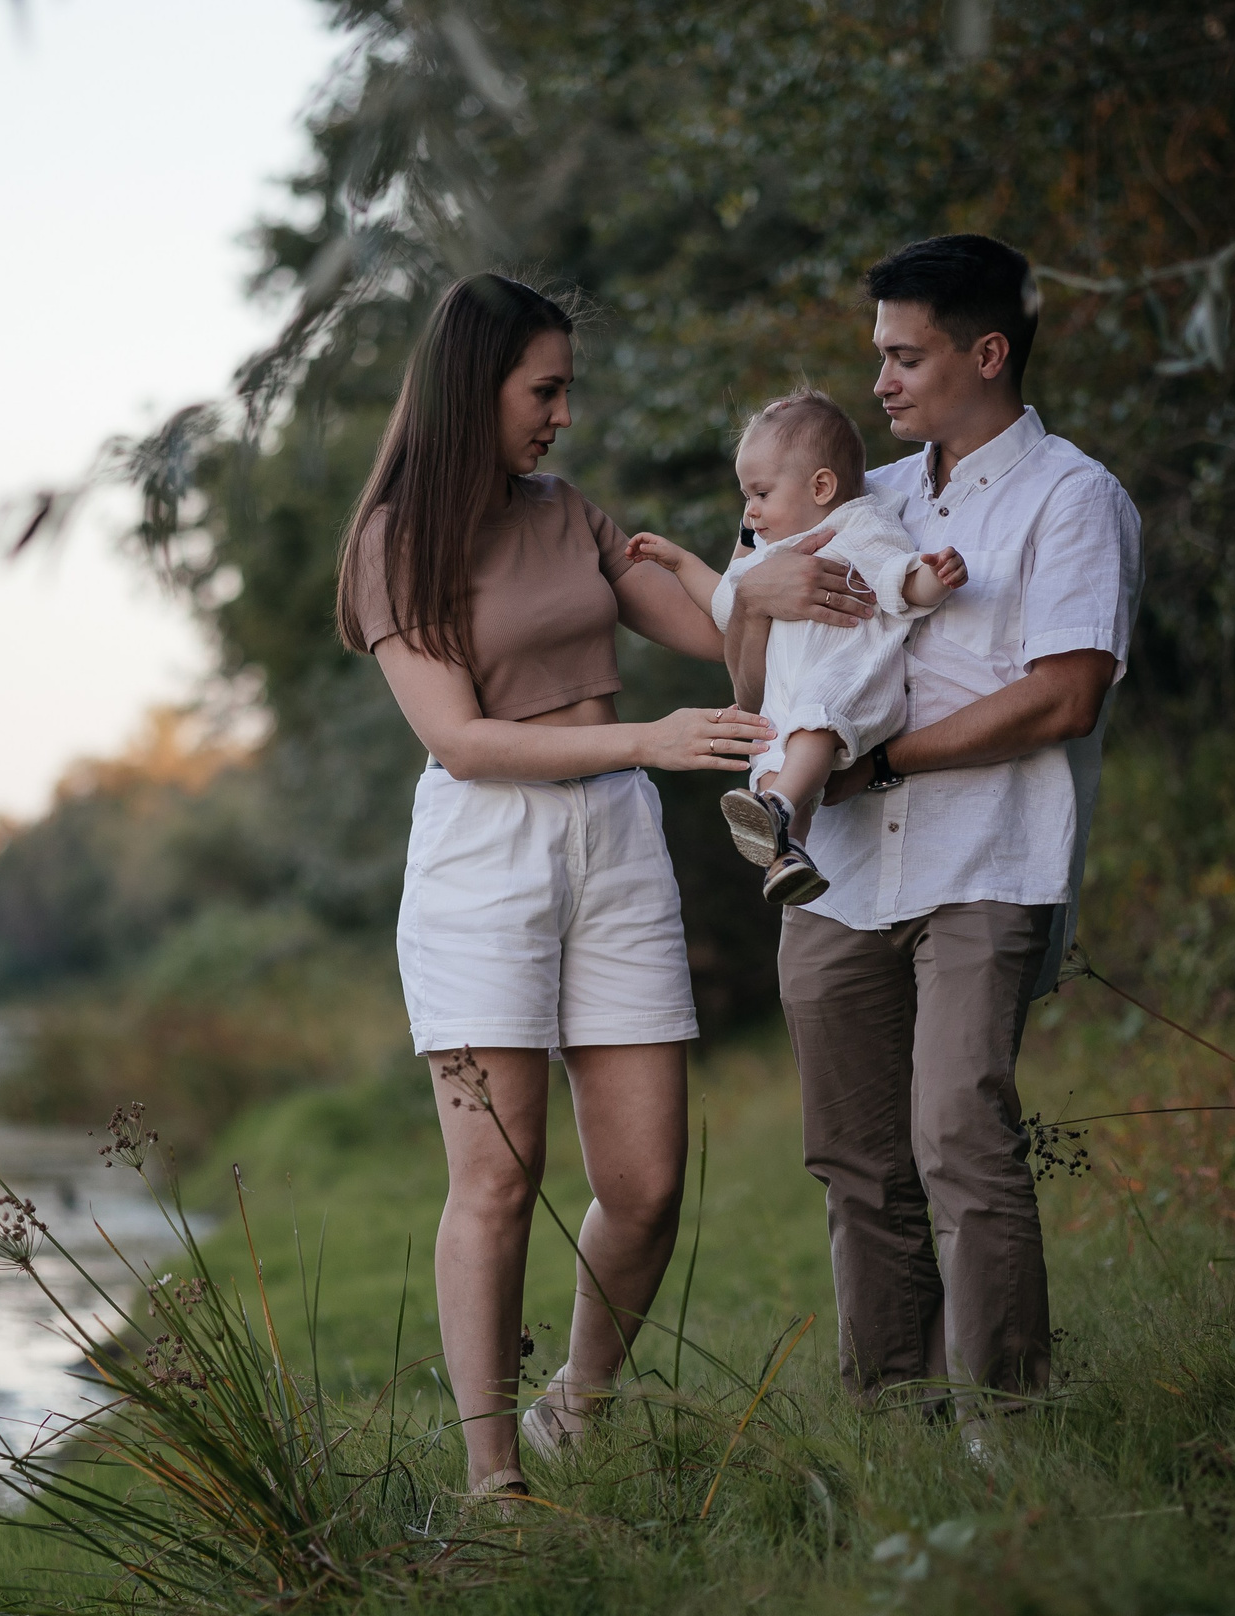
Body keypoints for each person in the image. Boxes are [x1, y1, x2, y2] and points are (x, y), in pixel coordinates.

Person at [336, 273, 774, 1498]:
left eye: (564, 388)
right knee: (497, 1176)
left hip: (615, 843)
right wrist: (647, 740)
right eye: (544, 389)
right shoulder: (394, 542)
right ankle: (493, 1482)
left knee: (645, 1186)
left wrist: (757, 575)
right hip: (486, 853)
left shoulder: (569, 511)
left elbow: (716, 646)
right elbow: (462, 738)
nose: (562, 414)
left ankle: (572, 1410)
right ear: (475, 388)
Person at [723, 235, 1144, 1441]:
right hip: (838, 873)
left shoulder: (1072, 498)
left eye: (904, 357)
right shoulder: (855, 498)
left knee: (959, 1133)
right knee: (855, 1163)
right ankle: (891, 1432)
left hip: (983, 859)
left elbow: (1067, 695)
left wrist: (884, 761)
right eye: (878, 357)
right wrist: (750, 595)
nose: (882, 383)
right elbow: (760, 674)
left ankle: (1005, 1434)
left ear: (988, 352)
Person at [626, 389, 965, 906]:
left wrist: (934, 577)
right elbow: (726, 603)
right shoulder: (769, 553)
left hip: (847, 680)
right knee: (769, 756)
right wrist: (681, 563)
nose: (751, 511)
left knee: (809, 729)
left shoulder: (859, 526)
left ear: (822, 485)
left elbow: (900, 579)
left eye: (760, 494)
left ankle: (782, 807)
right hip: (792, 692)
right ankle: (789, 856)